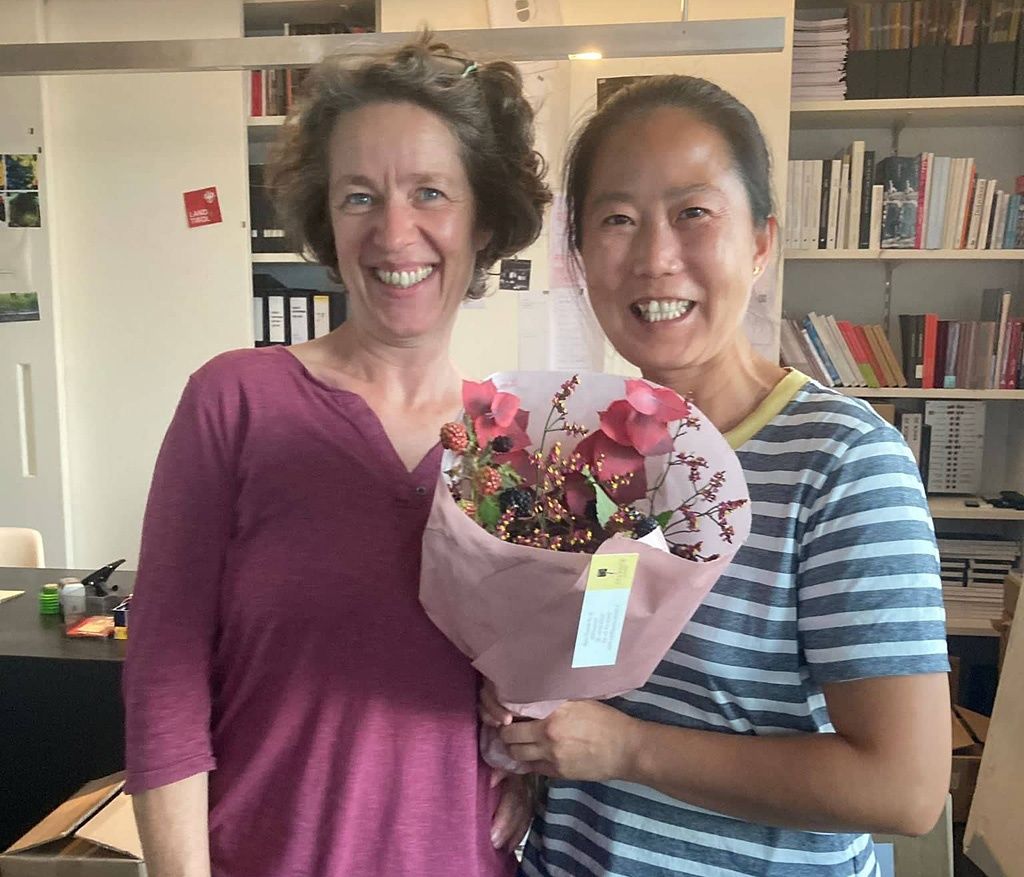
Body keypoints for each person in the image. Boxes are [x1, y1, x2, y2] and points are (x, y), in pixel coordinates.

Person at [481, 75, 951, 876]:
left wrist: (628, 749)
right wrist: (521, 718)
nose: (655, 258)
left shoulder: (842, 462)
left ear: (761, 242)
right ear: (581, 257)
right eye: (617, 220)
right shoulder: (578, 446)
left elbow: (903, 787)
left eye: (693, 213)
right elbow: (578, 681)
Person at [123, 36, 551, 877]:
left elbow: (540, 672)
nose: (394, 231)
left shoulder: (516, 444)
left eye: (430, 192)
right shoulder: (235, 401)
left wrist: (532, 752)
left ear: (484, 219)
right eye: (360, 196)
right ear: (327, 220)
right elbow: (164, 680)